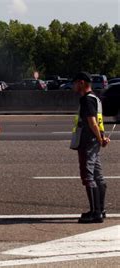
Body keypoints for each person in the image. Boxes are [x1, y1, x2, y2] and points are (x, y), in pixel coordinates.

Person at [70, 71, 110, 224]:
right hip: (94, 141)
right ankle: (101, 209)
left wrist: (100, 139)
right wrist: (102, 137)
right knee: (98, 176)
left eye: (74, 83)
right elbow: (98, 123)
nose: (73, 86)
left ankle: (95, 213)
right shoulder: (96, 99)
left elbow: (92, 122)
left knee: (88, 177)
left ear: (81, 82)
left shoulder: (86, 100)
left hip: (87, 142)